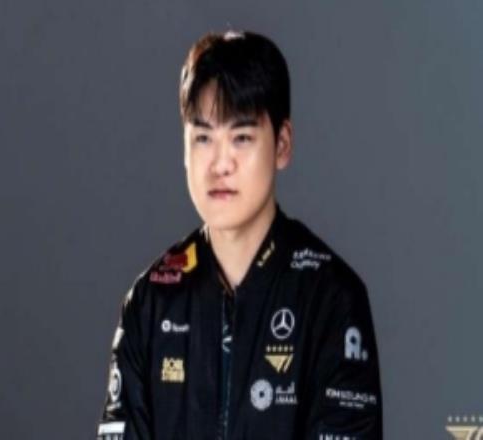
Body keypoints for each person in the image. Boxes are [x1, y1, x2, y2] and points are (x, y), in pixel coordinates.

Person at [96, 30, 382, 440]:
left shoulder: (331, 297)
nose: (220, 164)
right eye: (203, 138)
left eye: (242, 138)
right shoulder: (152, 299)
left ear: (282, 145)